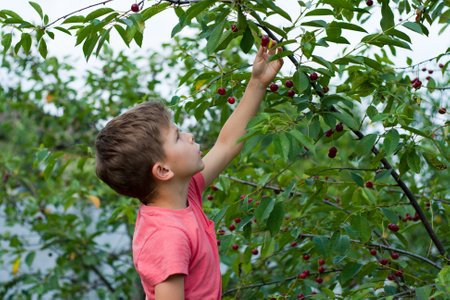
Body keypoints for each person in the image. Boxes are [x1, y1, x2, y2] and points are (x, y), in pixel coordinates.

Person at [94, 41, 284, 299]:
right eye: (177, 137)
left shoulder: (184, 194)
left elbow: (227, 145)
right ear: (163, 171)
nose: (190, 135)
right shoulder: (167, 237)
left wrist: (257, 83)